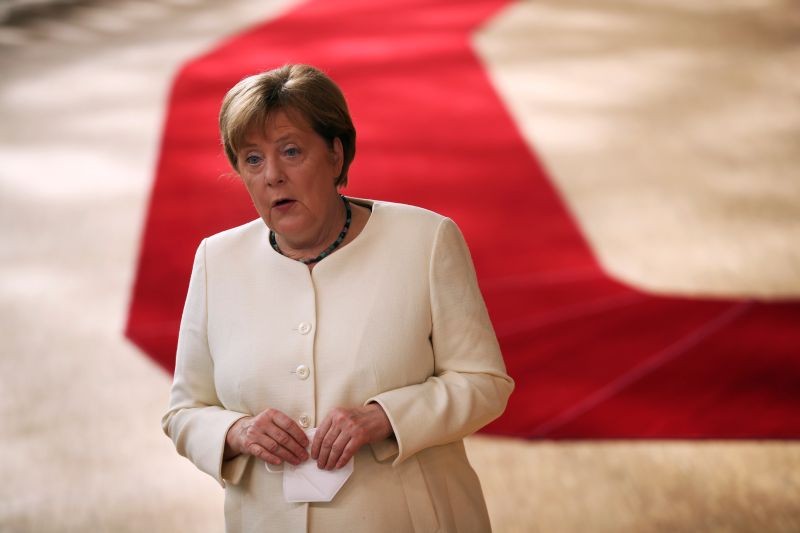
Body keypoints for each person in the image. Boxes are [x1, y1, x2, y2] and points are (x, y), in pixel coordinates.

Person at [162, 64, 514, 533]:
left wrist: (385, 418)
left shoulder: (425, 240)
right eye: (252, 159)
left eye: (291, 151)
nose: (272, 176)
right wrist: (236, 432)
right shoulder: (216, 260)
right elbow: (184, 412)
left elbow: (485, 382)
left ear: (335, 153)